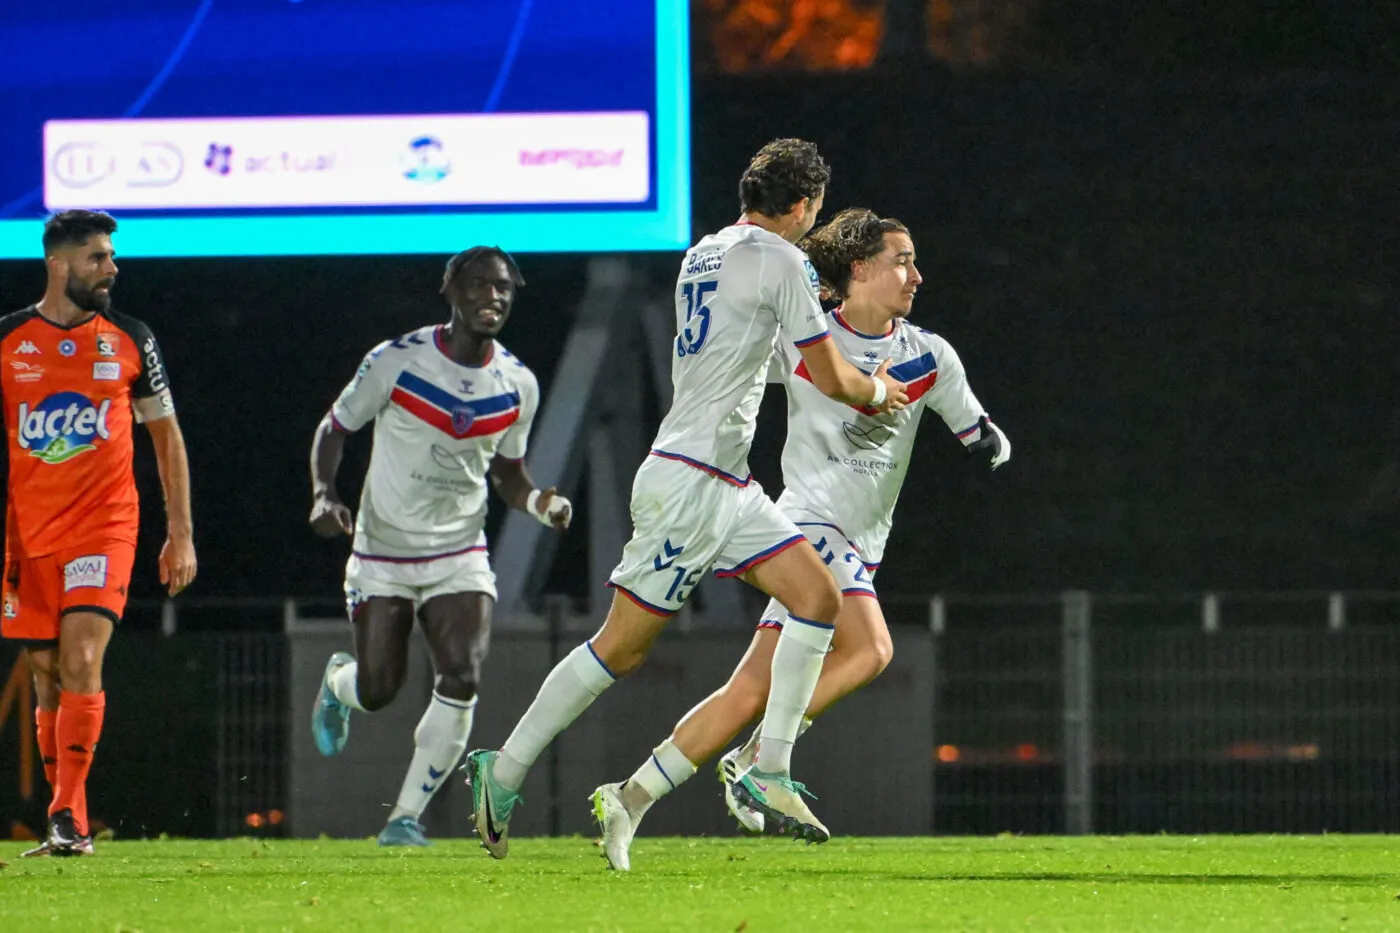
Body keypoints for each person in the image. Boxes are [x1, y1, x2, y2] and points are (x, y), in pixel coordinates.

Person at [462, 140, 910, 860]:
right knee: (621, 647)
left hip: (726, 482)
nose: (809, 224)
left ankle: (768, 767)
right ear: (799, 206)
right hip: (691, 482)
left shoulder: (702, 252)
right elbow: (833, 379)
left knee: (818, 599)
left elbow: (745, 359)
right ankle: (504, 768)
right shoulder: (781, 259)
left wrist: (810, 326)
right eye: (812, 211)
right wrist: (879, 389)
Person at [591, 208, 1011, 869]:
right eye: (902, 260)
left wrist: (992, 440)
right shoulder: (805, 340)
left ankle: (632, 794)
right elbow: (732, 367)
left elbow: (974, 423)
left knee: (748, 691)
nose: (916, 275)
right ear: (859, 271)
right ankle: (765, 759)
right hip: (808, 527)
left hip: (860, 544)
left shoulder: (929, 353)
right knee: (871, 647)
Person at [307, 246, 571, 847]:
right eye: (479, 285)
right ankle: (339, 685)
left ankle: (404, 818)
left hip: (458, 552)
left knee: (463, 671)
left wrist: (540, 504)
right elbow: (335, 428)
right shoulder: (396, 361)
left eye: (503, 287)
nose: (493, 296)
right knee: (379, 690)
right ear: (450, 292)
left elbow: (508, 474)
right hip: (382, 552)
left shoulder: (518, 384)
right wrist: (325, 494)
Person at [2, 210, 196, 857]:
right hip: (26, 536)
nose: (111, 269)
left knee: (83, 659)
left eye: (110, 256)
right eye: (97, 258)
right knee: (47, 673)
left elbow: (167, 439)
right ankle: (73, 822)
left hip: (104, 528)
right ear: (58, 264)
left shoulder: (129, 338)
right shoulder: (9, 342)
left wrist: (180, 533)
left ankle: (63, 814)